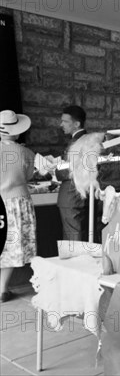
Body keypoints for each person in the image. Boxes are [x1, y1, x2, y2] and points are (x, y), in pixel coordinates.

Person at [0, 110, 37, 303]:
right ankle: (2, 289)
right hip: (17, 202)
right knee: (11, 247)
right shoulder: (25, 153)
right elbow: (29, 176)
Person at [56, 105, 88, 241]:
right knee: (84, 234)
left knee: (73, 238)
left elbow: (73, 169)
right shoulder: (89, 140)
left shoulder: (77, 142)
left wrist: (55, 169)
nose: (61, 124)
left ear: (76, 124)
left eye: (65, 121)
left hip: (71, 195)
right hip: (83, 195)